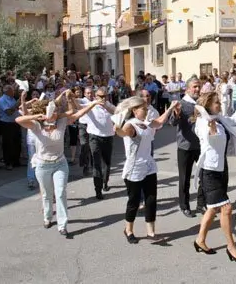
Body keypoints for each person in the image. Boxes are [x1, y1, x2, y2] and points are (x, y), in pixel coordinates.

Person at [15, 89, 97, 237]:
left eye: (55, 110)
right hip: (42, 165)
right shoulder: (36, 125)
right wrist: (37, 115)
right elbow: (18, 120)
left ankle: (62, 224)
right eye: (50, 111)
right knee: (46, 195)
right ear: (44, 112)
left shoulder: (61, 122)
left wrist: (95, 103)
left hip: (60, 163)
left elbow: (78, 113)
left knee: (60, 194)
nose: (54, 113)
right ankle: (47, 217)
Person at [192, 91, 236, 264]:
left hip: (221, 169)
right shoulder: (202, 123)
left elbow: (233, 120)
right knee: (226, 208)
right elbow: (210, 138)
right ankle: (231, 247)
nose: (220, 105)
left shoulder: (219, 119)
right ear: (208, 105)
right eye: (216, 103)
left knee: (213, 208)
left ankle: (200, 240)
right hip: (209, 171)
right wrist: (212, 128)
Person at [114, 96, 179, 244]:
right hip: (134, 168)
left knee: (151, 200)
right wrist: (117, 127)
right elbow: (122, 133)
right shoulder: (130, 125)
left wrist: (170, 108)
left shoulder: (146, 123)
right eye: (143, 108)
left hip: (149, 165)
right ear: (134, 111)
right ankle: (128, 230)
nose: (147, 109)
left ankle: (151, 232)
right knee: (134, 201)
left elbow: (160, 122)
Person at [169, 78, 206, 217]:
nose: (197, 89)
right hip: (185, 146)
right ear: (188, 89)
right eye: (195, 87)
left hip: (201, 145)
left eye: (199, 86)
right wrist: (176, 113)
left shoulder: (201, 103)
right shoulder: (182, 104)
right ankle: (184, 205)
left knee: (204, 175)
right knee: (184, 178)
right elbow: (172, 122)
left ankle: (201, 203)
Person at [84, 87, 116, 200]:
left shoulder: (108, 105)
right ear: (95, 96)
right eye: (100, 96)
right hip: (95, 137)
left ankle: (104, 182)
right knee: (96, 164)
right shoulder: (91, 105)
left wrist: (106, 105)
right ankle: (98, 190)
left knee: (107, 163)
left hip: (108, 137)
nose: (103, 98)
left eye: (105, 96)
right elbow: (79, 109)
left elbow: (117, 112)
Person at [0, 85, 22, 170]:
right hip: (6, 124)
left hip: (15, 122)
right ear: (7, 91)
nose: (14, 92)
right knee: (8, 144)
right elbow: (8, 112)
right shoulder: (2, 100)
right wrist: (16, 105)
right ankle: (8, 162)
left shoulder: (12, 98)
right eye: (12, 90)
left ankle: (16, 161)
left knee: (17, 142)